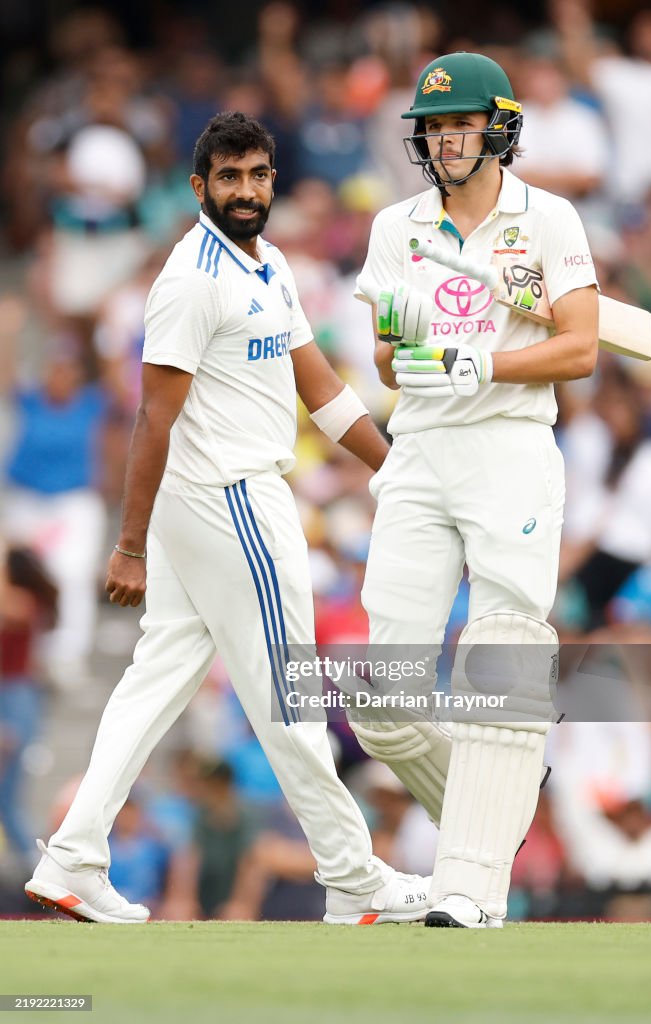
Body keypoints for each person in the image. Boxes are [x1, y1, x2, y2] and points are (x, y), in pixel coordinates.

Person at [24, 112, 430, 925]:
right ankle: (352, 878)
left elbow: (316, 382)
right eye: (229, 177)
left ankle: (71, 856)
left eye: (257, 175)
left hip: (215, 500)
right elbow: (152, 418)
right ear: (198, 186)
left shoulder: (268, 263)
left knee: (157, 678)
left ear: (272, 179)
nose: (245, 191)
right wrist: (130, 545)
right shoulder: (189, 279)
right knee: (291, 698)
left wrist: (395, 469)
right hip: (230, 498)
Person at [350, 52, 599, 927]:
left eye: (460, 124)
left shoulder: (549, 220)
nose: (445, 139)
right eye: (433, 126)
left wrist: (482, 359)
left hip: (508, 446)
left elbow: (579, 348)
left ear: (497, 127)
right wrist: (415, 338)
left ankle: (469, 889)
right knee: (382, 697)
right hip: (418, 447)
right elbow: (385, 357)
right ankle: (499, 782)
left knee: (499, 649)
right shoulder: (396, 227)